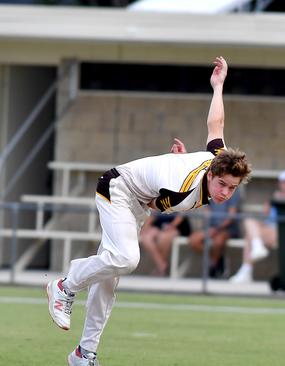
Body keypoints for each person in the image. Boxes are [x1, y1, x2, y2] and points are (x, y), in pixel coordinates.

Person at [46, 56, 252, 366]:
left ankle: (84, 354)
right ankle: (64, 286)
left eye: (232, 188)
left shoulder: (217, 158)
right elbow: (158, 202)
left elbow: (216, 124)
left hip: (139, 200)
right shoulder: (182, 191)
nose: (225, 192)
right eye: (222, 184)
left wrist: (218, 86)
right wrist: (177, 166)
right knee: (126, 259)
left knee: (109, 277)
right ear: (211, 174)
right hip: (118, 188)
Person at [229, 170, 285, 283]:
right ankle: (256, 248)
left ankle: (246, 270)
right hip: (270, 229)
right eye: (284, 182)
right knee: (249, 224)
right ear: (280, 184)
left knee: (250, 237)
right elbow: (265, 217)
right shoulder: (273, 199)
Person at [188, 188, 241, 278]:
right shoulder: (213, 188)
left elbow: (231, 216)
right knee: (193, 240)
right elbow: (207, 211)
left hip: (227, 229)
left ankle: (213, 268)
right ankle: (218, 259)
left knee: (218, 242)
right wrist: (209, 227)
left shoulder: (234, 191)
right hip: (211, 227)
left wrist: (216, 228)